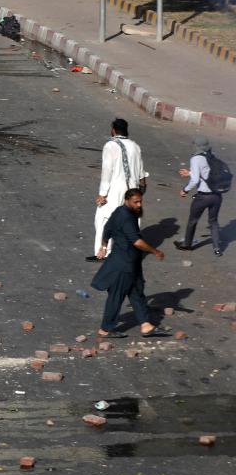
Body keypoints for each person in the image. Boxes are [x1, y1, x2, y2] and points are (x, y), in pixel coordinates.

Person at [92, 188, 169, 339]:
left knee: (137, 293)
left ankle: (145, 325)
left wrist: (104, 246)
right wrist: (156, 252)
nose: (139, 205)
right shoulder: (126, 216)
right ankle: (105, 329)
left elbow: (107, 229)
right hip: (123, 265)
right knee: (116, 296)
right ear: (126, 200)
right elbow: (137, 241)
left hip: (131, 263)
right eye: (136, 202)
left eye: (140, 201)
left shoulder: (120, 211)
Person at [89, 118, 146, 261]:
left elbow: (107, 171)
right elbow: (141, 172)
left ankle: (102, 252)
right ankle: (130, 251)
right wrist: (141, 189)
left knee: (103, 219)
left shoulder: (110, 146)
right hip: (132, 188)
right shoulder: (135, 146)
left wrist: (102, 194)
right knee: (131, 220)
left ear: (113, 130)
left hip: (115, 189)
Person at [175, 135, 224, 256]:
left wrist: (185, 190)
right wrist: (190, 172)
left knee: (193, 221)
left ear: (197, 146)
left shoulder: (196, 159)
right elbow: (207, 173)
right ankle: (217, 249)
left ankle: (187, 244)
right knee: (213, 222)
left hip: (203, 197)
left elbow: (196, 180)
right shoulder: (212, 156)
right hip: (217, 196)